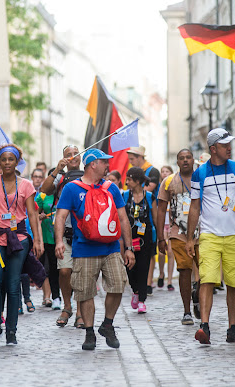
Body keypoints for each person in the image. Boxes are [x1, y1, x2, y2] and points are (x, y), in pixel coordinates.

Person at [186, 129, 235, 345]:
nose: (229, 147)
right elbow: (194, 208)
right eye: (224, 145)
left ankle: (232, 328)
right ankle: (205, 326)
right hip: (209, 235)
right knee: (208, 280)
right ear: (213, 149)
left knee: (233, 283)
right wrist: (190, 238)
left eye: (230, 143)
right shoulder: (199, 173)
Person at [54, 149, 135, 351]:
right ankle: (89, 333)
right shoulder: (72, 188)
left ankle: (107, 324)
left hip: (111, 248)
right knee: (84, 292)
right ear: (92, 164)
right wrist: (59, 241)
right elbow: (61, 216)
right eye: (103, 161)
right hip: (83, 248)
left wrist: (129, 247)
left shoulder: (112, 188)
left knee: (118, 284)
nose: (107, 165)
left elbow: (123, 218)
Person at [0, 144, 43, 345]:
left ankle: (11, 331)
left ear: (17, 162)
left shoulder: (26, 185)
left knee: (13, 285)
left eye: (10, 159)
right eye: (3, 159)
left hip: (18, 238)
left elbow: (32, 214)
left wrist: (37, 240)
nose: (6, 163)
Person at [41, 144, 84, 328]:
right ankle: (67, 306)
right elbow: (45, 189)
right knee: (65, 270)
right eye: (68, 154)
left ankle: (81, 312)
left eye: (76, 153)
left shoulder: (88, 174)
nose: (73, 156)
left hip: (84, 234)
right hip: (65, 233)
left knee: (82, 275)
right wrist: (58, 169)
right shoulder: (60, 177)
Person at [156, 149, 199, 325]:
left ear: (193, 160)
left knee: (205, 272)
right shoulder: (168, 182)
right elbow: (160, 210)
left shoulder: (202, 178)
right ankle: (187, 311)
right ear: (177, 162)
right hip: (177, 233)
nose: (185, 160)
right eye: (182, 158)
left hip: (203, 232)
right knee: (184, 270)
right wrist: (161, 237)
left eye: (188, 157)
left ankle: (197, 295)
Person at [123, 167, 157, 313]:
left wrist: (160, 238)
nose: (126, 182)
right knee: (130, 268)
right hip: (128, 238)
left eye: (129, 179)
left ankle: (142, 300)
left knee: (143, 268)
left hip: (146, 238)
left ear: (137, 181)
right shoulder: (124, 196)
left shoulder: (149, 197)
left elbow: (155, 219)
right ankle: (135, 290)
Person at [35, 169, 61, 310]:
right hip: (47, 237)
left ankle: (63, 295)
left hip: (63, 237)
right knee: (50, 269)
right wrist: (39, 216)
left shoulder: (62, 194)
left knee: (63, 270)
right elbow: (33, 212)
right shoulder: (43, 196)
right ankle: (54, 296)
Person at [157, 165, 175, 291]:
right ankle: (161, 273)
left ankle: (169, 280)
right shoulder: (159, 187)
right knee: (162, 252)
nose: (164, 173)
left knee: (171, 251)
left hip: (172, 222)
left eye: (167, 171)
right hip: (163, 223)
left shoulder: (175, 185)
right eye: (162, 171)